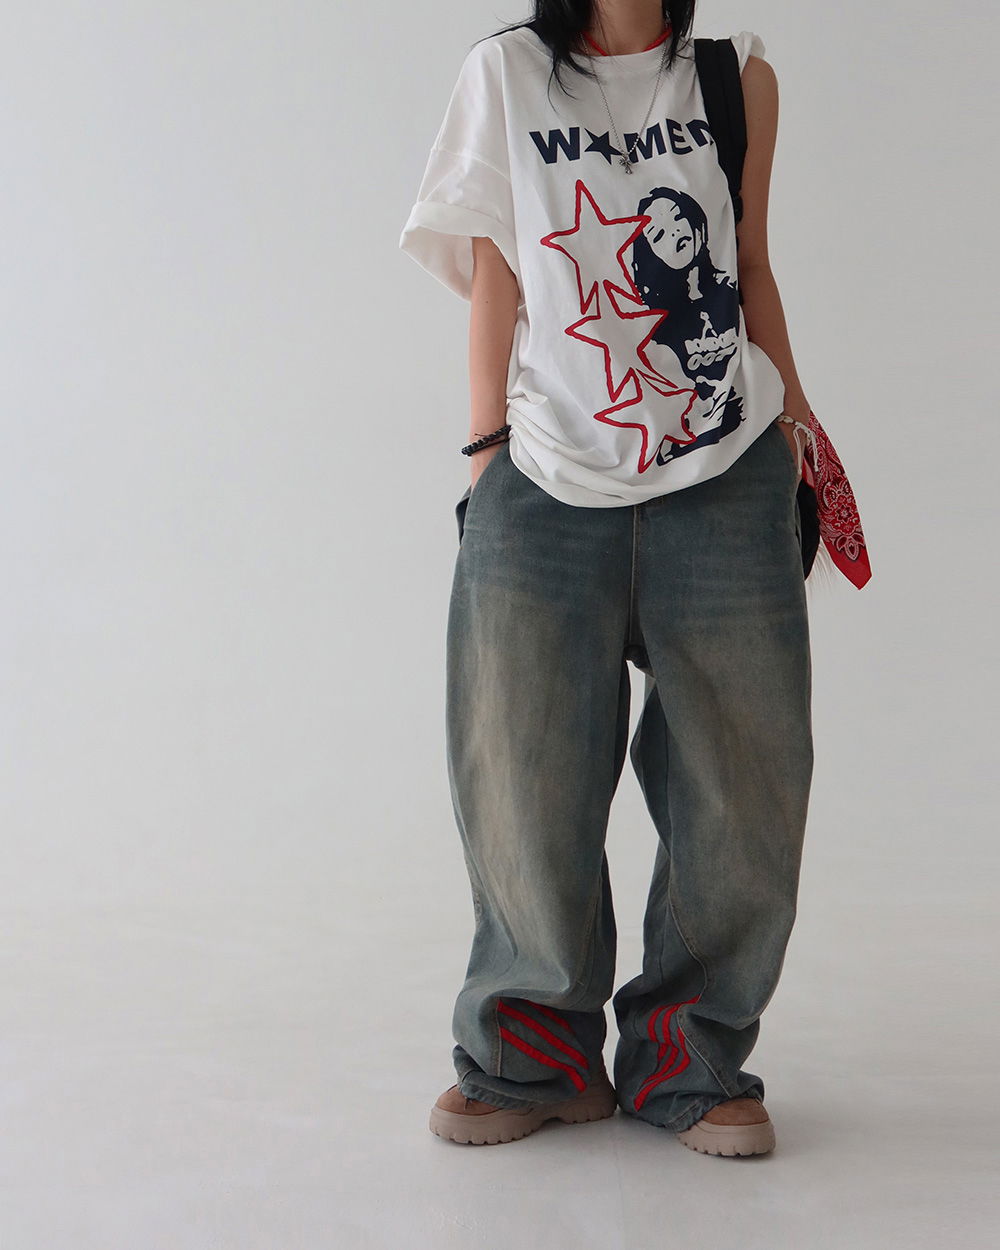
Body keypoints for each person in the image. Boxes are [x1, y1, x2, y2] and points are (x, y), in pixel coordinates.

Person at [399, 0, 815, 1158]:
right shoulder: (505, 75)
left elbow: (750, 263)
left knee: (743, 779)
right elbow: (495, 273)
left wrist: (799, 429)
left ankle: (690, 1056)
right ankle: (530, 1054)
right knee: (520, 771)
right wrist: (484, 457)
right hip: (542, 474)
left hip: (725, 468)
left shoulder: (734, 79)